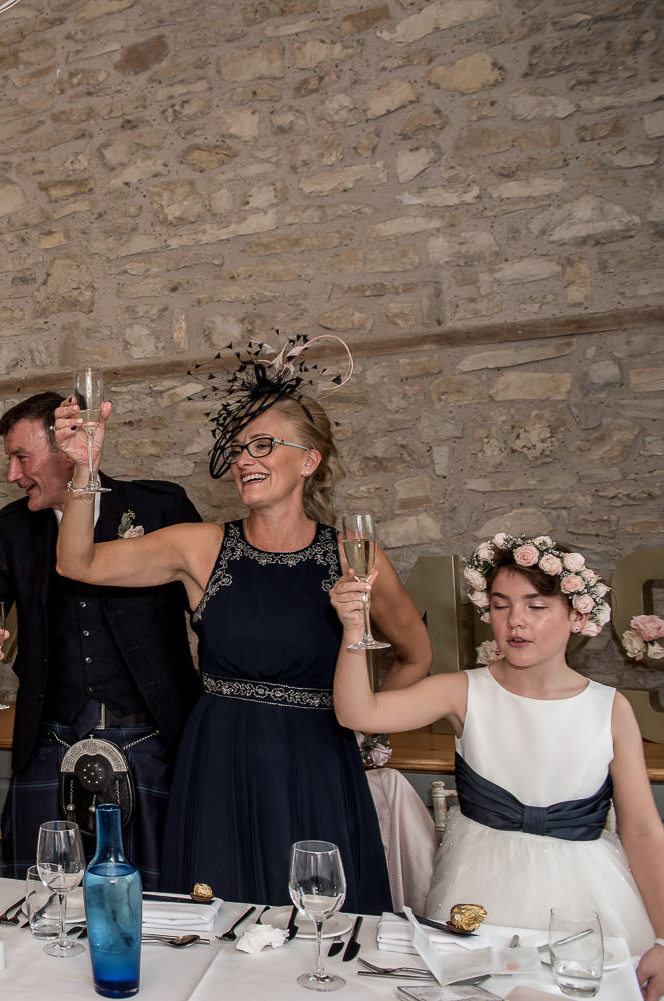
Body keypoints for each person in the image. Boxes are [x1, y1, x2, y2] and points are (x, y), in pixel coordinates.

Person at [53, 342, 430, 914]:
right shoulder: (200, 547)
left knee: (321, 924)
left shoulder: (354, 556)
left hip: (320, 763)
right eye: (237, 449)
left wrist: (370, 731)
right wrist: (84, 466)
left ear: (310, 460)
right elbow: (77, 563)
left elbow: (415, 654)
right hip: (220, 762)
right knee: (216, 926)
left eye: (262, 445)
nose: (243, 459)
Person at [332, 534, 664, 999]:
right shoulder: (463, 691)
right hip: (479, 889)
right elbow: (357, 714)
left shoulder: (609, 709)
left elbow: (645, 830)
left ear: (577, 615)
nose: (515, 622)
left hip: (588, 898)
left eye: (536, 606)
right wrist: (352, 632)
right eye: (502, 605)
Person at [0, 391, 202, 888]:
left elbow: (215, 615)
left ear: (67, 447)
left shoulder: (159, 506)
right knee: (37, 902)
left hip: (153, 742)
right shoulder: (12, 528)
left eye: (21, 457)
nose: (12, 474)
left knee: (164, 903)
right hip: (51, 742)